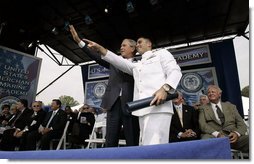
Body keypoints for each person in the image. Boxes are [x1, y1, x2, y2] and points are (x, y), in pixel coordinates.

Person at [75, 34, 182, 145]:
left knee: (153, 144)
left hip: (151, 106)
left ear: (149, 44)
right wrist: (98, 48)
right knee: (144, 144)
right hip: (139, 109)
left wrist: (165, 88)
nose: (137, 44)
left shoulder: (161, 54)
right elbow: (115, 60)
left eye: (140, 42)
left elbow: (175, 71)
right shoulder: (138, 65)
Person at [69, 25, 140, 147]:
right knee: (110, 141)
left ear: (133, 48)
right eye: (121, 45)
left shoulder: (140, 64)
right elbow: (96, 56)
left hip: (131, 104)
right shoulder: (113, 61)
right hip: (113, 104)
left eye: (124, 45)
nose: (121, 47)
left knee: (132, 139)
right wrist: (79, 42)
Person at [199, 85, 249, 153]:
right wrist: (217, 134)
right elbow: (202, 124)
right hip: (214, 137)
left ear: (219, 94)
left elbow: (241, 124)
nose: (210, 93)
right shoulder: (203, 108)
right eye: (209, 92)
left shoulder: (231, 106)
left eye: (213, 92)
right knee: (205, 141)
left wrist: (236, 133)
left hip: (233, 137)